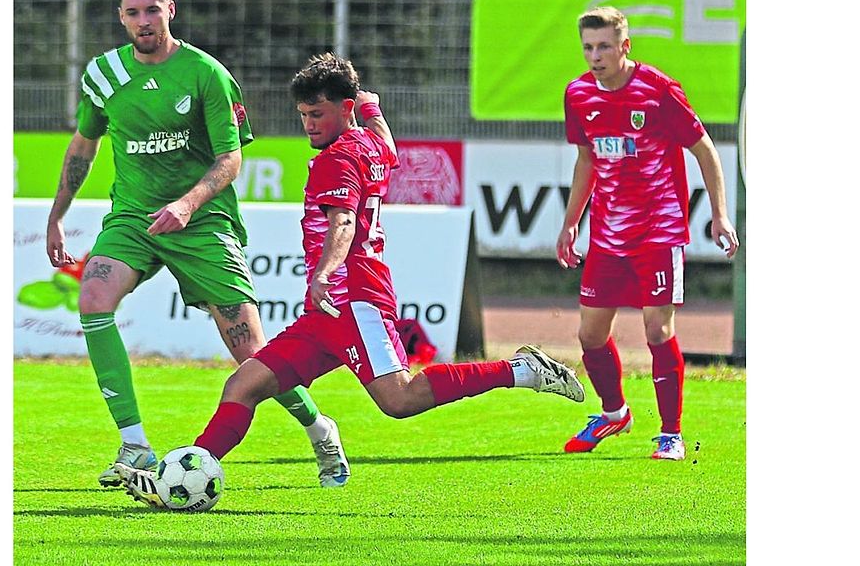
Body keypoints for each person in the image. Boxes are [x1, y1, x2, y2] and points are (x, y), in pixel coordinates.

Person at [117, 53, 585, 508]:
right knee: (244, 384)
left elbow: (343, 222)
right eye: (302, 115)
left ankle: (521, 371)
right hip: (326, 313)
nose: (308, 125)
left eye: (317, 113)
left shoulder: (336, 160)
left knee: (399, 399)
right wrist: (370, 105)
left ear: (343, 109)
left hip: (355, 299)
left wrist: (323, 273)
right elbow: (390, 147)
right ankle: (187, 471)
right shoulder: (367, 142)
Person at [45, 0, 349, 489]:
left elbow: (230, 160)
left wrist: (186, 205)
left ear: (171, 9)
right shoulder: (104, 76)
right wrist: (57, 214)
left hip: (203, 223)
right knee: (93, 299)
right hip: (134, 219)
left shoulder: (206, 74)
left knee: (253, 356)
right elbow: (83, 144)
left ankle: (320, 429)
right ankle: (135, 445)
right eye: (133, 12)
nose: (144, 20)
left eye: (152, 10)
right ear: (121, 16)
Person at [553, 6, 740, 461]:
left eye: (604, 47)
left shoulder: (657, 91)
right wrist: (571, 220)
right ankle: (614, 413)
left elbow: (704, 149)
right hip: (608, 237)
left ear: (625, 46)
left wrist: (720, 214)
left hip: (658, 231)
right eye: (588, 48)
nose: (595, 56)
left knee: (657, 330)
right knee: (590, 335)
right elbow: (587, 160)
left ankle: (671, 434)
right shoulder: (578, 95)